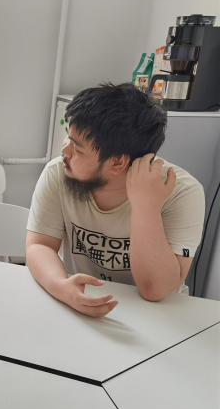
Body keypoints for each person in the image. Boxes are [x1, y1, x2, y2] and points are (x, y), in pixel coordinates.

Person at [26, 83, 205, 318]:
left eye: (77, 149)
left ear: (118, 162)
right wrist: (61, 286)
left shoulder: (182, 192)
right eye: (67, 137)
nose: (64, 152)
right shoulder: (58, 172)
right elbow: (39, 246)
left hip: (160, 315)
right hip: (80, 301)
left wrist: (146, 206)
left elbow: (157, 290)